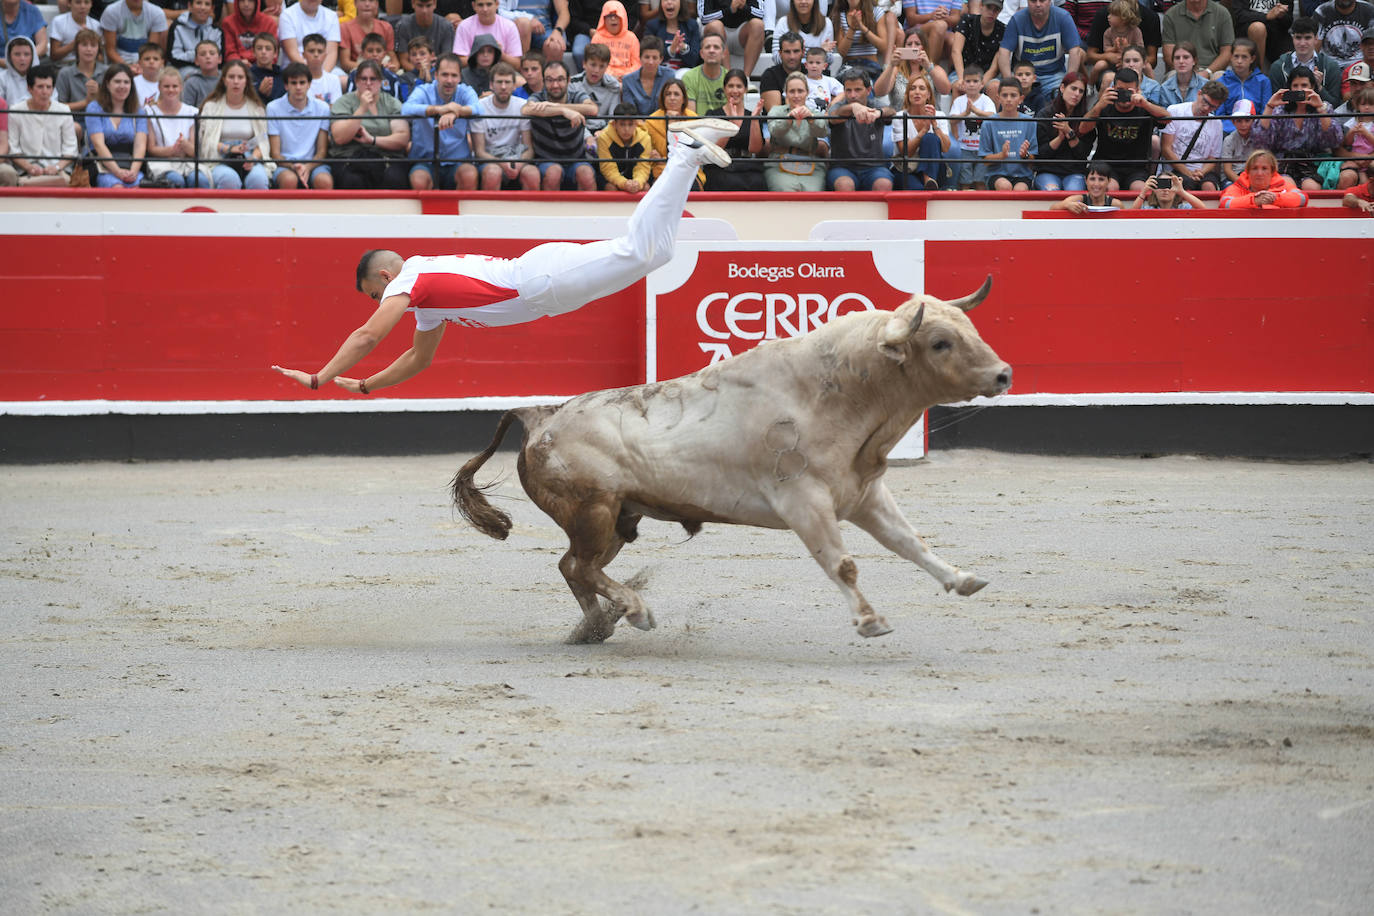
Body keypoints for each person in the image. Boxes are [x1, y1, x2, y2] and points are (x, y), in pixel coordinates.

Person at [270, 118, 738, 396]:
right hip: (546, 288)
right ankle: (688, 154)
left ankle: (680, 150)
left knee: (640, 250)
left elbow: (370, 334)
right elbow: (417, 360)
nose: (380, 302)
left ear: (386, 276)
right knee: (657, 252)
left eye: (376, 293)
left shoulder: (407, 281)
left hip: (540, 280)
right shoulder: (426, 302)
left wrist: (320, 377)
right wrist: (368, 385)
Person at [1080, 66, 1169, 191]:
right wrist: (1098, 105)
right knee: (1110, 188)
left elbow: (1167, 118)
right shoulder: (1104, 105)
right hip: (1106, 165)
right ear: (1113, 89)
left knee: (1140, 189)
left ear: (1138, 90)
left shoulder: (1144, 106)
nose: (1124, 95)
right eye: (1120, 90)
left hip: (1136, 168)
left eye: (1129, 91)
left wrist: (1145, 104)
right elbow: (1082, 129)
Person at [1252, 65, 1343, 187]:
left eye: (1304, 86)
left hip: (1311, 163)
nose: (1299, 90)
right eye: (1295, 86)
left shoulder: (1324, 107)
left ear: (1312, 87)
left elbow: (1334, 141)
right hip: (1283, 162)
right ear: (1289, 88)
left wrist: (1321, 109)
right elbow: (1261, 142)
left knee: (1312, 188)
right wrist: (1269, 107)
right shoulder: (1279, 110)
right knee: (1287, 186)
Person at [401, 52, 477, 189]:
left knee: (469, 175)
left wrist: (456, 112)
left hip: (457, 161)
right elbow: (405, 109)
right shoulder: (423, 90)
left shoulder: (465, 91)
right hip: (425, 161)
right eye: (445, 74)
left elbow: (479, 108)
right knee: (419, 179)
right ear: (436, 75)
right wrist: (438, 109)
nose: (449, 80)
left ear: (460, 77)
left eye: (454, 75)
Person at [197, 58, 274, 188]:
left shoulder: (257, 108)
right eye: (231, 77)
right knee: (229, 180)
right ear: (224, 80)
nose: (236, 82)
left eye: (240, 77)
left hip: (249, 156)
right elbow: (206, 140)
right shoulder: (211, 107)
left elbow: (262, 141)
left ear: (246, 82)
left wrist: (253, 159)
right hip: (219, 159)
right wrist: (229, 149)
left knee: (258, 180)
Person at [526, 58, 599, 190]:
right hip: (546, 160)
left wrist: (556, 106)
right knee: (554, 172)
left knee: (586, 174)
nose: (555, 85)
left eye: (560, 79)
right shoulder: (538, 97)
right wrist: (563, 111)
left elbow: (592, 109)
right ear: (543, 81)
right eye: (549, 80)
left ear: (568, 80)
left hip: (576, 160)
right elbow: (526, 109)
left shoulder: (577, 95)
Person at [468, 60, 538, 189]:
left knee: (532, 174)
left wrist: (519, 163)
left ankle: (529, 210)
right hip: (490, 158)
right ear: (491, 85)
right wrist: (502, 163)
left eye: (507, 82)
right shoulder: (480, 107)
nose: (504, 87)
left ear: (514, 86)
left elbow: (529, 149)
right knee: (492, 173)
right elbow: (479, 151)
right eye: (499, 82)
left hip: (516, 156)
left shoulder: (523, 106)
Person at [7, 64, 78, 186]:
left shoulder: (63, 110)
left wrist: (56, 167)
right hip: (24, 172)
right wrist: (29, 167)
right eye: (40, 87)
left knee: (66, 182)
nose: (45, 92)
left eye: (48, 87)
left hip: (58, 171)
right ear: (29, 89)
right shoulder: (15, 111)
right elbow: (13, 148)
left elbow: (70, 149)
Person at [267, 61, 334, 188]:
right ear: (286, 86)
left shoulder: (322, 108)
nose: (298, 87)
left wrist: (307, 167)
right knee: (289, 180)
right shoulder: (273, 108)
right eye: (293, 83)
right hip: (284, 165)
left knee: (324, 181)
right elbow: (275, 154)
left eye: (302, 82)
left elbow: (321, 151)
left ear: (309, 84)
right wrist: (293, 166)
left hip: (314, 165)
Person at [998, 0, 1083, 100]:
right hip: (1022, 75)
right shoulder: (1017, 19)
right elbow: (1004, 52)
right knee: (994, 87)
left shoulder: (1063, 17)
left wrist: (1068, 81)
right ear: (1027, 2)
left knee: (1066, 95)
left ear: (1050, 1)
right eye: (1033, 1)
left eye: (1042, 0)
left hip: (1054, 75)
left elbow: (1075, 51)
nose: (1038, 4)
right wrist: (1009, 82)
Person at [827, 66, 895, 191]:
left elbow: (891, 111)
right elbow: (834, 116)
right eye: (848, 90)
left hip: (875, 167)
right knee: (845, 185)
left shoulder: (874, 104)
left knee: (883, 184)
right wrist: (853, 107)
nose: (853, 95)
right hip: (842, 167)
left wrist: (879, 113)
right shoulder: (838, 106)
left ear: (868, 90)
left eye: (857, 90)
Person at [703, 67, 767, 189]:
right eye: (731, 86)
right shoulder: (712, 115)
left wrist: (753, 121)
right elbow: (712, 149)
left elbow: (755, 149)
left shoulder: (752, 116)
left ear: (745, 89)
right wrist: (731, 125)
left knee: (758, 181)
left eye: (739, 86)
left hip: (747, 168)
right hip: (720, 168)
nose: (735, 90)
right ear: (724, 88)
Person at [86, 63, 148, 188]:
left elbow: (140, 145)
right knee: (118, 189)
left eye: (126, 82)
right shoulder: (94, 108)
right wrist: (117, 172)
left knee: (139, 191)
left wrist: (133, 171)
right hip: (104, 167)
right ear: (108, 84)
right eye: (117, 81)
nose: (122, 86)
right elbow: (99, 144)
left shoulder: (139, 111)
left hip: (131, 167)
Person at [766, 69, 830, 190]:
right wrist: (789, 119)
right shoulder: (776, 110)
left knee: (812, 197)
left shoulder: (815, 113)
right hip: (779, 163)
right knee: (786, 193)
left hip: (811, 164)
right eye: (792, 91)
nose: (796, 96)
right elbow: (774, 131)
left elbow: (823, 131)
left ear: (807, 92)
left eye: (800, 91)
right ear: (786, 93)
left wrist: (811, 119)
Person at [1159, 79, 1228, 190]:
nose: (1206, 108)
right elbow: (1166, 150)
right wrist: (1188, 173)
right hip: (1174, 169)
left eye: (1212, 107)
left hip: (1201, 171)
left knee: (1209, 186)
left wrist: (1200, 172)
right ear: (1199, 93)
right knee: (1184, 186)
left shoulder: (1217, 123)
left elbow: (1213, 158)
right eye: (1205, 102)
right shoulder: (1175, 111)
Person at [143, 66, 203, 186]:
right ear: (159, 87)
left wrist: (185, 146)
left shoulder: (192, 112)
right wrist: (172, 150)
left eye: (174, 86)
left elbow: (195, 152)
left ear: (181, 87)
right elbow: (151, 149)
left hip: (187, 163)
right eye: (166, 86)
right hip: (161, 164)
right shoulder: (149, 111)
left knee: (200, 180)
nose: (171, 90)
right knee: (176, 181)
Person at [1033, 69, 1091, 190]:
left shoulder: (1085, 118)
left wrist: (1069, 132)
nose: (1077, 94)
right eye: (1073, 88)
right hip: (1047, 171)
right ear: (1062, 88)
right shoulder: (1045, 114)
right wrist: (1060, 138)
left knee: (1073, 193)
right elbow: (1040, 154)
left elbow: (1083, 154)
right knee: (1052, 191)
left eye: (1081, 91)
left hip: (1075, 172)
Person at [890, 70, 949, 188]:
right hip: (906, 169)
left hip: (935, 170)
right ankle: (928, 183)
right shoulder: (900, 117)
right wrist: (923, 131)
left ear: (928, 95)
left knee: (930, 138)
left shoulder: (940, 115)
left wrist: (934, 124)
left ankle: (928, 179)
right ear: (907, 95)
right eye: (912, 88)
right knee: (918, 190)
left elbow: (946, 148)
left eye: (922, 88)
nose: (917, 92)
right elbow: (906, 152)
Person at [1270, 17, 1344, 106]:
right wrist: (1309, 91)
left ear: (1316, 39)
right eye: (1298, 38)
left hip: (1320, 117)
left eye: (1307, 38)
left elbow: (1335, 105)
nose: (1302, 43)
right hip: (1289, 117)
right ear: (1292, 38)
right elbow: (1276, 103)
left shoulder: (1331, 66)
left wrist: (1319, 88)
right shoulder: (1278, 67)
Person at [979, 76, 1036, 189]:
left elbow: (1032, 160)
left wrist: (1025, 155)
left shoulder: (1030, 122)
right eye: (1005, 95)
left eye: (1013, 95)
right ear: (998, 98)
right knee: (1005, 186)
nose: (1008, 99)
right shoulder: (988, 123)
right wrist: (1001, 155)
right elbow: (985, 160)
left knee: (1020, 190)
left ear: (1021, 99)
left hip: (1022, 175)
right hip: (996, 175)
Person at [644, 77, 702, 184]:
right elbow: (650, 154)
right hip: (662, 170)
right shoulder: (651, 121)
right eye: (668, 94)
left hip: (688, 168)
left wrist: (662, 158)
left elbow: (696, 151)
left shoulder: (693, 119)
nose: (672, 98)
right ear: (663, 97)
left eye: (676, 94)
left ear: (684, 99)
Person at [948, 63, 996, 188]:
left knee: (981, 181)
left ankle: (982, 206)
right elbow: (952, 120)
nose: (972, 84)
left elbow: (992, 117)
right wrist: (966, 113)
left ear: (981, 84)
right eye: (968, 81)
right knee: (965, 181)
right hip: (964, 148)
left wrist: (975, 111)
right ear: (963, 84)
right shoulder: (959, 101)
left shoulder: (986, 100)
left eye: (975, 81)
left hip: (983, 148)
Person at [1160, 0, 1234, 80]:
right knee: (1172, 76)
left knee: (1220, 77)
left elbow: (1227, 52)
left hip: (1212, 71)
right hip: (1181, 69)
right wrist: (1187, 72)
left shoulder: (1222, 13)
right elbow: (1168, 54)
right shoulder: (1171, 15)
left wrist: (1207, 72)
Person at [876, 27, 951, 103]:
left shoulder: (935, 69)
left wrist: (928, 67)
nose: (913, 47)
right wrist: (891, 66)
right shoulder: (895, 70)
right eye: (909, 44)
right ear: (904, 47)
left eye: (917, 44)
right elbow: (879, 92)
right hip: (901, 114)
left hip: (929, 114)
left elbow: (946, 91)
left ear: (924, 48)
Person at [569, 41, 623, 143]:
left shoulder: (613, 85)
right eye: (593, 65)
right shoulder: (572, 83)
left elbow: (613, 117)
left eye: (601, 66)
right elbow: (571, 115)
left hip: (604, 132)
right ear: (584, 64)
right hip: (578, 130)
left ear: (607, 67)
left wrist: (604, 132)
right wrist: (587, 137)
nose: (597, 70)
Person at [1219, 147, 1308, 205]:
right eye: (1255, 168)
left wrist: (1274, 198)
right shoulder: (1237, 187)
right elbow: (1225, 203)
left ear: (1272, 171)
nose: (1259, 173)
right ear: (1248, 171)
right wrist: (1254, 200)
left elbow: (1303, 198)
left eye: (1264, 168)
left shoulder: (1284, 185)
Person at [596, 100, 653, 191]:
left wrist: (638, 182)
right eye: (622, 124)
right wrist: (624, 183)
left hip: (634, 177)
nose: (626, 129)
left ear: (636, 123)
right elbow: (608, 169)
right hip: (611, 178)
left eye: (630, 124)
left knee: (645, 187)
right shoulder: (603, 138)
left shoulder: (645, 138)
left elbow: (643, 167)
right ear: (614, 124)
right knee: (610, 187)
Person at [701, 0, 767, 78]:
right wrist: (729, 10)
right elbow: (703, 17)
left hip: (742, 35)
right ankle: (727, 78)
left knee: (758, 25)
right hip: (718, 35)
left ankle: (746, 79)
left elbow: (761, 14)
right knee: (716, 25)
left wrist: (744, 7)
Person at [1218, 38, 1273, 131]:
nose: (1239, 61)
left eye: (1244, 57)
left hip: (1256, 130)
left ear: (1252, 58)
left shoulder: (1263, 81)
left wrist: (1251, 128)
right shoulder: (1222, 82)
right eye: (1236, 56)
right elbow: (1220, 115)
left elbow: (1265, 112)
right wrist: (1238, 129)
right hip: (1228, 131)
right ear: (1231, 57)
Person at [56, 29, 107, 128]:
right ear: (76, 48)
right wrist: (85, 102)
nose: (89, 49)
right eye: (84, 45)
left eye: (93, 45)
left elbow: (115, 104)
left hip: (102, 119)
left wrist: (99, 94)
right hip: (74, 120)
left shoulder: (107, 71)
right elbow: (59, 107)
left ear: (98, 49)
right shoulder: (65, 73)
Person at [1087, 0, 1144, 87]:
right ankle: (1090, 85)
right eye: (1109, 13)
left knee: (1147, 67)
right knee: (1099, 65)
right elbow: (1106, 50)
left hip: (1130, 61)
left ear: (1123, 18)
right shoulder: (1108, 32)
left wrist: (1127, 47)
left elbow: (1141, 50)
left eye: (1113, 15)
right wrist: (1114, 48)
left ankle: (1151, 86)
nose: (1108, 17)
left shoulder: (1135, 31)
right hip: (1112, 61)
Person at [951, 0, 1006, 87]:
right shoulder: (967, 20)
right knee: (958, 86)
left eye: (996, 9)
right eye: (988, 7)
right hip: (964, 70)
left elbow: (994, 68)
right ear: (981, 6)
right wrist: (962, 79)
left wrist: (981, 82)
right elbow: (956, 51)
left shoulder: (1003, 29)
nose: (991, 12)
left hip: (988, 75)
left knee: (994, 87)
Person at [279, 0, 341, 75]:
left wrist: (322, 76)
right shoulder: (287, 15)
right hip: (295, 70)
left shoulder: (331, 16)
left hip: (325, 70)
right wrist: (312, 75)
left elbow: (331, 53)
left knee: (345, 80)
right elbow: (292, 53)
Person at [766, 0, 831, 71]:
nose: (803, 2)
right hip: (788, 75)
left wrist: (796, 60)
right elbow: (776, 58)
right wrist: (820, 53)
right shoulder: (783, 22)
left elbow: (829, 60)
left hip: (816, 76)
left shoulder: (826, 23)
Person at [100, 0, 168, 66]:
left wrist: (141, 67)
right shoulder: (111, 11)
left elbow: (151, 50)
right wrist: (128, 67)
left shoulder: (157, 13)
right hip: (118, 64)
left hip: (145, 63)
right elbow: (110, 50)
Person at [455, 0, 522, 68]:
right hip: (473, 72)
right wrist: (478, 54)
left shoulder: (509, 26)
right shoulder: (464, 26)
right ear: (474, 6)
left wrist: (500, 54)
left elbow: (517, 64)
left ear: (497, 4)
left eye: (489, 4)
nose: (485, 9)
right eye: (480, 5)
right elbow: (460, 61)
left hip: (502, 73)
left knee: (519, 79)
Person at [394, 0, 455, 75]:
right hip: (411, 75)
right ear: (413, 3)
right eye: (420, 5)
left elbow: (447, 59)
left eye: (428, 6)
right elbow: (404, 61)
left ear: (435, 4)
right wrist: (422, 74)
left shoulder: (446, 26)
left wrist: (431, 74)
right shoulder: (403, 25)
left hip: (438, 74)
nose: (424, 11)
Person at [833, 0, 888, 81]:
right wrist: (852, 29)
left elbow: (883, 46)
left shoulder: (876, 12)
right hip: (849, 66)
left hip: (871, 66)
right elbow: (842, 52)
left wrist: (862, 27)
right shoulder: (839, 14)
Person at [1314, 0, 1374, 69]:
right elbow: (1316, 43)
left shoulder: (1369, 11)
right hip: (1330, 65)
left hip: (1360, 64)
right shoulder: (1322, 11)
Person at [1233, 0, 1292, 70]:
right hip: (1248, 30)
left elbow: (1288, 22)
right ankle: (1256, 73)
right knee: (1258, 28)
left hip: (1277, 31)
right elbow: (1239, 15)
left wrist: (1282, 14)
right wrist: (1266, 16)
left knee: (1289, 59)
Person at [623, 35, 674, 114]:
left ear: (661, 59)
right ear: (640, 57)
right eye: (647, 57)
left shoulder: (669, 76)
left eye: (654, 58)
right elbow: (630, 112)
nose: (650, 62)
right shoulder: (627, 81)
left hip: (662, 122)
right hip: (637, 124)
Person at [647, 0, 703, 72]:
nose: (669, 2)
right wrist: (671, 50)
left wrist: (684, 48)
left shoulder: (692, 25)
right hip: (659, 73)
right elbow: (649, 57)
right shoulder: (652, 26)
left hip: (685, 74)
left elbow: (694, 61)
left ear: (681, 3)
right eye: (665, 0)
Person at [588, 0, 640, 78]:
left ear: (623, 17)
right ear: (603, 19)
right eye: (609, 16)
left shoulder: (632, 37)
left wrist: (624, 75)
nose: (613, 18)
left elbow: (637, 64)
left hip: (628, 78)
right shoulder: (597, 37)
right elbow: (594, 63)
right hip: (604, 77)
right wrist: (611, 75)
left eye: (616, 15)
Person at [340, 0, 395, 73]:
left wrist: (392, 67)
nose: (367, 4)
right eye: (362, 0)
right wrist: (373, 68)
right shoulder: (345, 28)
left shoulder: (386, 27)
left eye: (371, 1)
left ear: (377, 4)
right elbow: (345, 63)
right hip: (357, 72)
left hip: (383, 72)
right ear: (355, 3)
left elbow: (394, 59)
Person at [169, 0, 222, 76]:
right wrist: (201, 55)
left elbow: (219, 58)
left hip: (210, 70)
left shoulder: (217, 31)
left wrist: (200, 56)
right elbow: (174, 57)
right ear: (190, 6)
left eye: (207, 4)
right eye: (198, 3)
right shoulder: (177, 27)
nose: (203, 7)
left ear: (212, 8)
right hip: (183, 69)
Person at [904, 0, 961, 68]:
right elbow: (911, 19)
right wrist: (931, 16)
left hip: (944, 30)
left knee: (954, 40)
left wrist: (944, 17)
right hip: (916, 30)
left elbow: (956, 19)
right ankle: (929, 72)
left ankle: (952, 76)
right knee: (940, 25)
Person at [759, 29, 806, 111]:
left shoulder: (812, 72)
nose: (792, 57)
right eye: (787, 52)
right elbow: (775, 116)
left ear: (803, 52)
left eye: (796, 51)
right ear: (780, 53)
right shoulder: (770, 76)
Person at [681, 31, 728, 114]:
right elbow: (690, 115)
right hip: (698, 125)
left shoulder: (730, 78)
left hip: (724, 126)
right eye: (707, 47)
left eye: (716, 47)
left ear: (724, 54)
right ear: (701, 53)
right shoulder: (689, 77)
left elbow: (734, 112)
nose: (711, 51)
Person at [1337, 83, 1374, 185]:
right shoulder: (1354, 120)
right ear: (1357, 106)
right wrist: (1351, 133)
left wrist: (1366, 133)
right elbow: (1347, 143)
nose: (1367, 107)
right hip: (1356, 160)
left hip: (1371, 160)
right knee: (1363, 183)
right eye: (1363, 104)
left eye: (1371, 104)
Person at [224, 0, 279, 65]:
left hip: (263, 66)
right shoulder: (228, 22)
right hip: (237, 67)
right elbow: (230, 52)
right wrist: (240, 63)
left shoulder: (269, 23)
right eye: (242, 1)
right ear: (237, 3)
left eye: (250, 1)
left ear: (257, 3)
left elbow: (272, 53)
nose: (246, 4)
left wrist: (256, 66)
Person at [1049, 161, 1122, 210]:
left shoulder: (1116, 205)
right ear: (1085, 180)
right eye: (1092, 179)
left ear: (1108, 181)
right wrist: (1066, 205)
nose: (1096, 184)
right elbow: (1051, 209)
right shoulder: (1077, 200)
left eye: (1101, 179)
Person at [1222, 97, 1263, 183]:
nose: (1243, 124)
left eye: (1247, 120)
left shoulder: (1259, 138)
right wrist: (1242, 182)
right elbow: (1227, 170)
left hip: (1253, 176)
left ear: (1253, 121)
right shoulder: (1229, 140)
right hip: (1233, 178)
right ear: (1233, 122)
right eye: (1239, 121)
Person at [49, 0, 99, 70]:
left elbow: (101, 56)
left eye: (87, 2)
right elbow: (54, 55)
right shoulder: (59, 21)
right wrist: (77, 41)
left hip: (89, 66)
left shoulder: (96, 25)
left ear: (91, 4)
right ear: (69, 4)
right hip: (64, 66)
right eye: (78, 2)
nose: (83, 6)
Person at [1157, 40, 1204, 106]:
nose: (1181, 61)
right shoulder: (1165, 88)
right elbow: (1164, 113)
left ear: (1194, 61)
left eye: (1186, 57)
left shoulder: (1205, 85)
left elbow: (1210, 113)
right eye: (1177, 58)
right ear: (1173, 62)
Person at [1, 0, 48, 65]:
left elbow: (42, 44)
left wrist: (26, 59)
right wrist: (7, 63)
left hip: (29, 65)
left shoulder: (33, 11)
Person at [1130, 170, 1207, 207]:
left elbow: (1202, 209)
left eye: (1169, 185)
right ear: (1154, 189)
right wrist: (1144, 192)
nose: (1165, 189)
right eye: (1161, 185)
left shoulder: (1182, 208)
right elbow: (1131, 215)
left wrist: (1181, 191)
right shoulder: (1148, 209)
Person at [802, 44, 843, 111]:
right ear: (806, 65)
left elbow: (843, 93)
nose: (814, 66)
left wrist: (832, 104)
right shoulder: (800, 80)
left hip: (824, 117)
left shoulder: (829, 81)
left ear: (825, 66)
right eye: (811, 62)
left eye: (818, 63)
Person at [180, 39, 220, 107]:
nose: (208, 57)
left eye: (212, 53)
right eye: (203, 54)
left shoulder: (226, 78)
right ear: (196, 61)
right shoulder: (191, 82)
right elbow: (187, 109)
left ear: (220, 59)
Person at [251, 31, 287, 102]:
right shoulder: (248, 76)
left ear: (275, 54)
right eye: (259, 48)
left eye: (268, 48)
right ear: (253, 52)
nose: (263, 52)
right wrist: (260, 93)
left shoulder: (283, 76)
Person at [1, 35, 34, 104]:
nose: (22, 58)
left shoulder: (43, 77)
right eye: (17, 54)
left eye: (26, 54)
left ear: (33, 57)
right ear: (9, 57)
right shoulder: (2, 78)